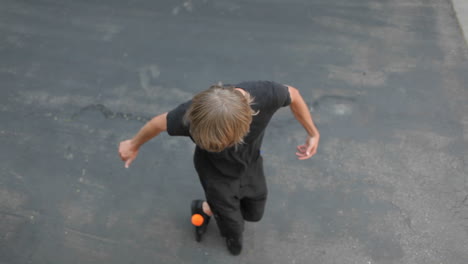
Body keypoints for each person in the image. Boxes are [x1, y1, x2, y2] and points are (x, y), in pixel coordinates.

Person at [119, 81, 319, 255]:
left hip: (250, 164)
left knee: (253, 214)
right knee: (233, 224)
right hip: (215, 175)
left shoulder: (265, 95)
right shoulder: (189, 115)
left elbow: (293, 94)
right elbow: (157, 124)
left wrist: (313, 133)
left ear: (248, 118)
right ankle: (229, 231)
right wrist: (132, 145)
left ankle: (205, 207)